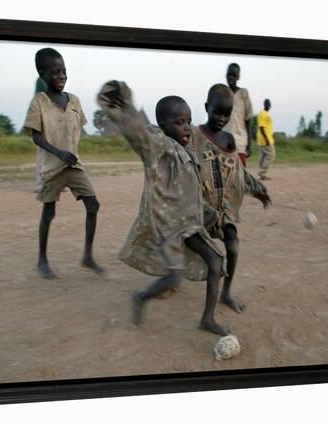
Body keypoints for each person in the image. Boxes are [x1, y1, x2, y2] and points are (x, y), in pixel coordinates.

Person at [97, 80, 231, 336]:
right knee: (174, 278)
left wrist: (213, 216)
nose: (187, 128)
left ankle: (208, 319)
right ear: (163, 126)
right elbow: (139, 134)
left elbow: (193, 194)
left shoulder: (188, 152)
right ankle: (141, 297)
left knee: (216, 262)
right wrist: (125, 109)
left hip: (190, 225)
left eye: (189, 121)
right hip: (169, 228)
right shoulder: (159, 148)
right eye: (179, 122)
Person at [24, 48, 105, 279]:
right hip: (52, 167)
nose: (61, 76)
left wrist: (70, 151)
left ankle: (87, 256)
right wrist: (59, 152)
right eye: (54, 72)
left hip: (74, 165)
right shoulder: (39, 102)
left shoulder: (75, 100)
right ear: (42, 75)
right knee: (48, 212)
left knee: (93, 205)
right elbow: (36, 136)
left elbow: (78, 127)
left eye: (64, 71)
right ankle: (42, 260)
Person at [192, 84, 271, 313]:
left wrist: (257, 189)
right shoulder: (194, 136)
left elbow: (238, 172)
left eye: (226, 114)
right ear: (207, 108)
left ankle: (226, 292)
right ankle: (171, 277)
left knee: (233, 246)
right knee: (183, 244)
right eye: (217, 112)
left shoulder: (228, 139)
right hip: (199, 206)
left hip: (222, 206)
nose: (221, 118)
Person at [223, 63, 254, 166]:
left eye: (234, 75)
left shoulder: (243, 94)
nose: (231, 77)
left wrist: (249, 144)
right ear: (226, 75)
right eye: (229, 74)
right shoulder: (222, 92)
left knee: (241, 175)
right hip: (223, 140)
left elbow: (248, 119)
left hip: (240, 141)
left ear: (238, 77)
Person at [257, 99, 276, 180]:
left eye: (269, 104)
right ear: (264, 104)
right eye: (267, 104)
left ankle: (261, 174)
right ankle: (262, 172)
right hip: (265, 139)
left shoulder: (266, 113)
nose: (269, 105)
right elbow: (261, 127)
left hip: (265, 138)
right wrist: (267, 139)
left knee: (263, 155)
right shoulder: (263, 114)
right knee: (271, 154)